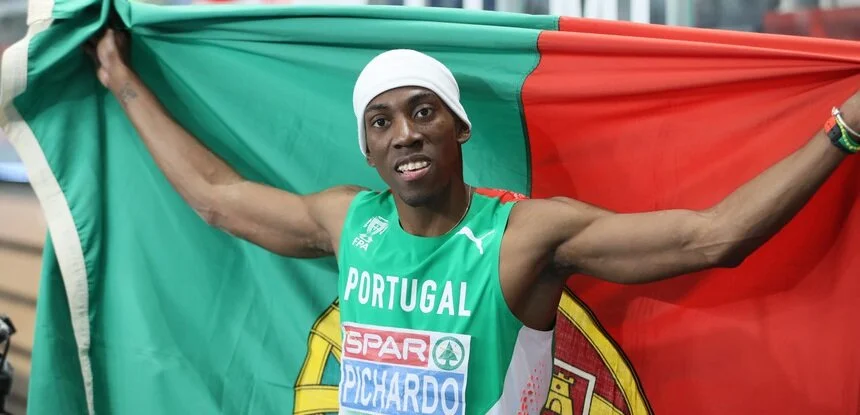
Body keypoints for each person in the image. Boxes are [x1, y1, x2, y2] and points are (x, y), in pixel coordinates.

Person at [87, 28, 859, 414]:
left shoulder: (524, 236)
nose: (404, 134)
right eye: (381, 122)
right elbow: (216, 197)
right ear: (366, 146)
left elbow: (713, 237)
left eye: (423, 112)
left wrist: (844, 130)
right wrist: (123, 82)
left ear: (458, 128)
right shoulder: (349, 221)